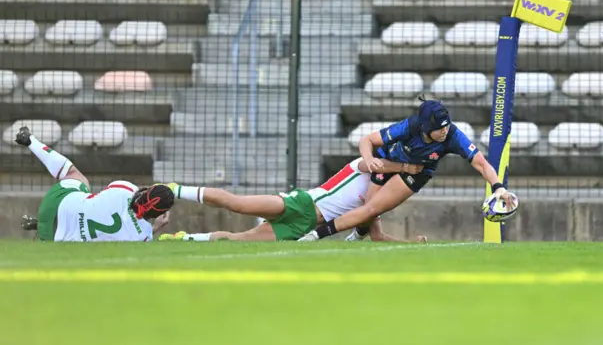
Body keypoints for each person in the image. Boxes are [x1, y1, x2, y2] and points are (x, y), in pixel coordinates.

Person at [297, 98, 517, 242]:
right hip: (387, 163)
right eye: (439, 128)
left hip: (417, 173)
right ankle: (360, 234)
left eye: (447, 126)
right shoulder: (409, 127)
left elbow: (481, 163)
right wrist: (369, 159)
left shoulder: (453, 136)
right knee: (369, 218)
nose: (444, 131)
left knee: (372, 209)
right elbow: (367, 140)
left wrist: (498, 188)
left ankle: (315, 236)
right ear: (425, 128)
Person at [157, 157, 428, 242]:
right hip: (302, 203)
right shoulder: (364, 165)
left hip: (302, 227)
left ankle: (184, 239)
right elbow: (375, 164)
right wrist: (405, 168)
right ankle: (175, 189)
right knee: (236, 203)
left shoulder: (375, 202)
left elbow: (377, 236)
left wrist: (410, 243)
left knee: (238, 240)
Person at [15, 126, 174, 242]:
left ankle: (31, 141)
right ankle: (42, 226)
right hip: (52, 238)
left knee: (78, 178)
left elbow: (105, 201)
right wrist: (156, 227)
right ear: (159, 214)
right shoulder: (143, 236)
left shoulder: (125, 188)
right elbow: (138, 236)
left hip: (53, 204)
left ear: (149, 190)